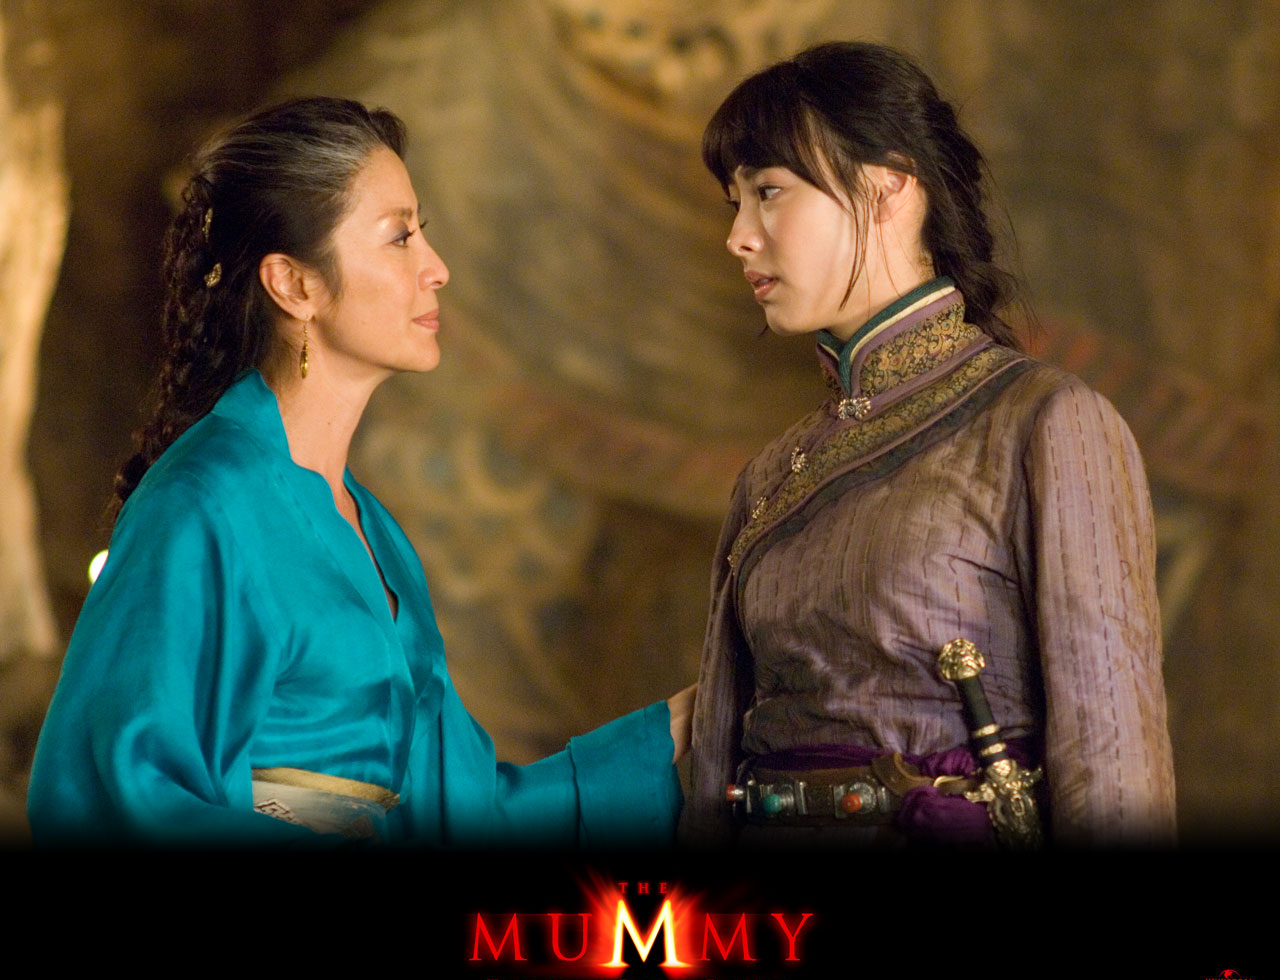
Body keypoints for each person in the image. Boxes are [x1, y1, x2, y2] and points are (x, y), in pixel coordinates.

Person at [27, 97, 693, 846]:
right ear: (294, 285)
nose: (436, 269)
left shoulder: (373, 530)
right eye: (400, 237)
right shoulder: (200, 502)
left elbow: (465, 812)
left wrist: (674, 737)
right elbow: (109, 796)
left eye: (422, 233)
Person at [682, 42, 1176, 847]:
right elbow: (714, 767)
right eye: (734, 202)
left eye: (767, 192)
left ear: (889, 188)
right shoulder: (769, 474)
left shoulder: (1041, 422)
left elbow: (1116, 771)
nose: (738, 236)